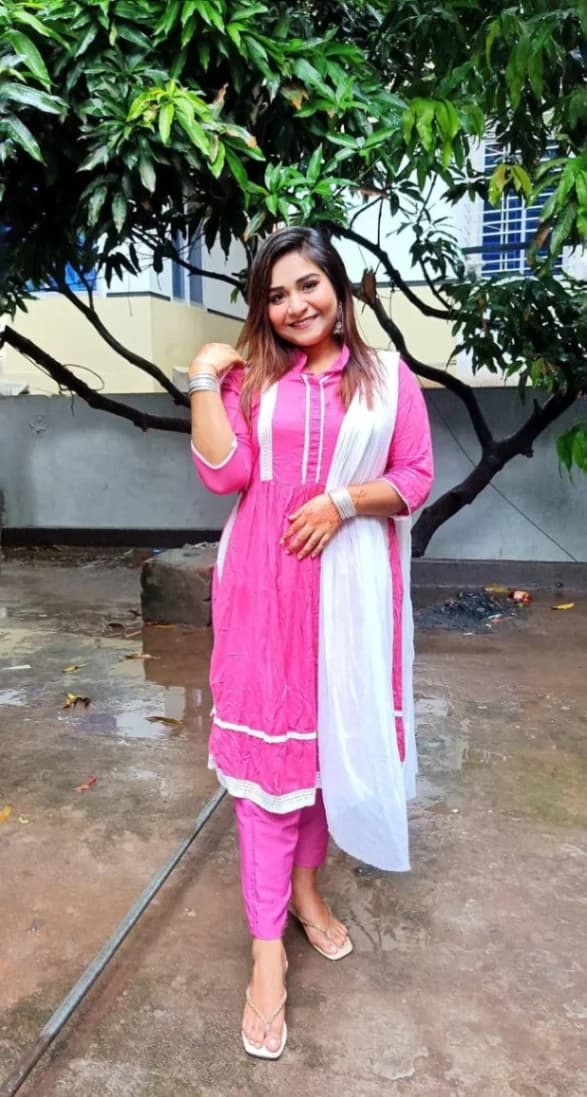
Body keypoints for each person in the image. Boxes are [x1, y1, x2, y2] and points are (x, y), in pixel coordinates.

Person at [189, 226, 433, 1059]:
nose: (295, 305)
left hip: (347, 598)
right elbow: (226, 474)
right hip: (263, 592)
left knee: (327, 751)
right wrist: (203, 380)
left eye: (308, 285)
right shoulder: (254, 379)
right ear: (261, 308)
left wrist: (341, 502)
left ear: (338, 286)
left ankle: (305, 889)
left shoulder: (387, 378)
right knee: (267, 774)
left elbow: (415, 476)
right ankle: (267, 952)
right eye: (275, 294)